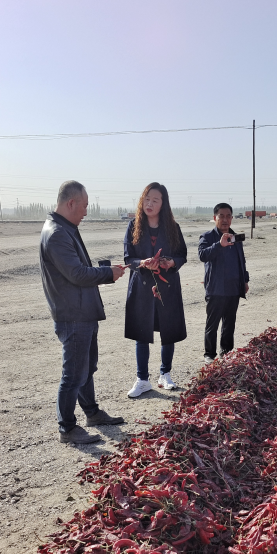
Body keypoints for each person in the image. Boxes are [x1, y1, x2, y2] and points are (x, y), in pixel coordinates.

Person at [40, 180, 126, 444]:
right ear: (71, 203)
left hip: (82, 312)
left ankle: (92, 412)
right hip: (73, 315)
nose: (86, 212)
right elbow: (76, 273)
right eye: (85, 206)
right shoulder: (56, 233)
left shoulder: (65, 228)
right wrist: (107, 274)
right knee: (74, 373)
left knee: (86, 368)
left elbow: (76, 268)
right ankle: (67, 428)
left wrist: (102, 270)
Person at [124, 182, 187, 398]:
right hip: (142, 286)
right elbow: (127, 258)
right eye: (147, 199)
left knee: (168, 331)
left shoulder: (172, 227)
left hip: (166, 286)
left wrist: (170, 263)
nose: (149, 203)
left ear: (163, 203)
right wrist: (143, 262)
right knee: (141, 332)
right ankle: (142, 379)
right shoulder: (134, 226)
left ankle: (165, 374)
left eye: (155, 200)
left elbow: (182, 255)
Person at [198, 203, 249, 365]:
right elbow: (203, 255)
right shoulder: (207, 237)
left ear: (232, 218)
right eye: (221, 216)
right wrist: (219, 245)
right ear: (215, 218)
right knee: (212, 325)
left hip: (233, 289)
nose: (225, 219)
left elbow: (241, 260)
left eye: (228, 216)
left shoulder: (235, 237)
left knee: (229, 324)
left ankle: (226, 352)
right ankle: (209, 354)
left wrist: (245, 280)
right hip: (216, 289)